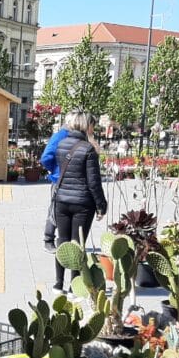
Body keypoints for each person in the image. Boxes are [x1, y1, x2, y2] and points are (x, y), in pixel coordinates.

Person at [52, 111, 107, 294]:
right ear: (85, 125)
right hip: (83, 203)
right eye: (92, 124)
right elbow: (93, 182)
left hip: (61, 200)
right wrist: (101, 205)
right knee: (77, 244)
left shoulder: (61, 144)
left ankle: (58, 284)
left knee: (62, 241)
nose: (93, 128)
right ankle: (74, 285)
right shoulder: (88, 149)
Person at [39, 124, 68, 253]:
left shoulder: (82, 137)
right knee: (55, 210)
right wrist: (55, 170)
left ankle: (65, 242)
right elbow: (46, 158)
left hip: (72, 180)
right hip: (59, 179)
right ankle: (48, 240)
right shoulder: (60, 136)